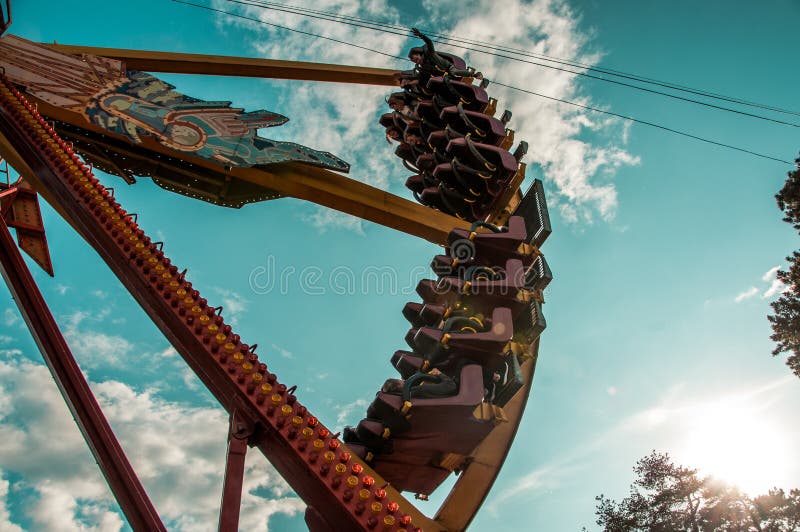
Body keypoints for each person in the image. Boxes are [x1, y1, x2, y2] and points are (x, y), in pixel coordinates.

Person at [408, 27, 483, 83]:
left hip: (449, 68)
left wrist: (421, 35)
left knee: (454, 72)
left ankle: (475, 75)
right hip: (443, 76)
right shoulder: (423, 66)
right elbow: (421, 77)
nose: (418, 61)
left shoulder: (429, 53)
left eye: (417, 59)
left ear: (419, 55)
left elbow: (429, 42)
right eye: (416, 62)